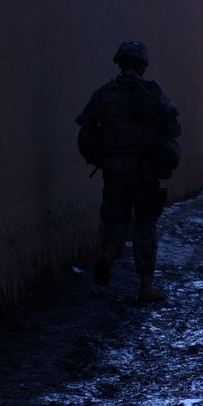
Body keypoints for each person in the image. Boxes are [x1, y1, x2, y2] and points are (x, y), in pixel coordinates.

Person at [76, 40, 182, 304]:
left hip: (113, 168)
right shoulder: (153, 92)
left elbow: (85, 126)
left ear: (120, 64)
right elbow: (173, 125)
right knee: (145, 224)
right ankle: (145, 286)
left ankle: (107, 255)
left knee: (116, 220)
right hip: (144, 171)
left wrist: (102, 151)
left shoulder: (104, 94)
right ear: (143, 66)